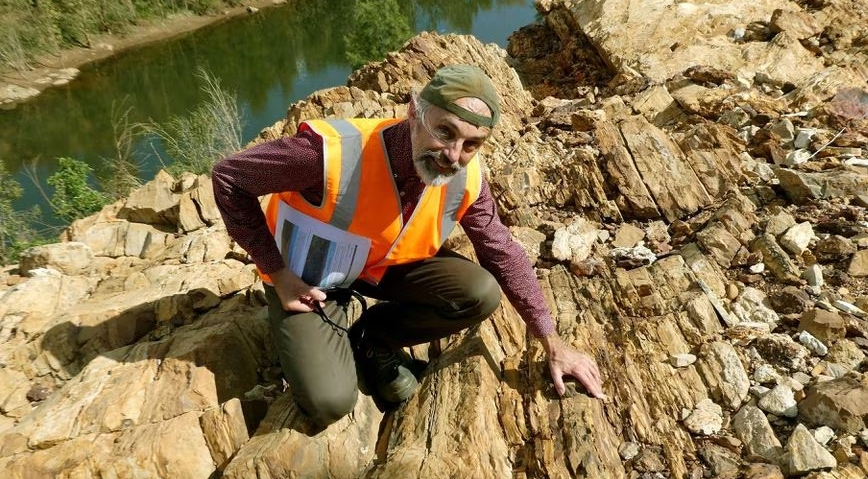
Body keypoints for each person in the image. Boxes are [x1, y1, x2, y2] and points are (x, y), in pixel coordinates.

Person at [212, 64, 605, 430]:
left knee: (479, 292)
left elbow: (501, 249)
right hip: (308, 279)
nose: (453, 156)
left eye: (471, 144)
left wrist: (552, 343)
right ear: (414, 111)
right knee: (329, 401)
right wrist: (278, 273)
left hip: (381, 267)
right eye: (445, 132)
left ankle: (373, 339)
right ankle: (325, 341)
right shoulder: (326, 155)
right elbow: (230, 178)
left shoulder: (466, 177)